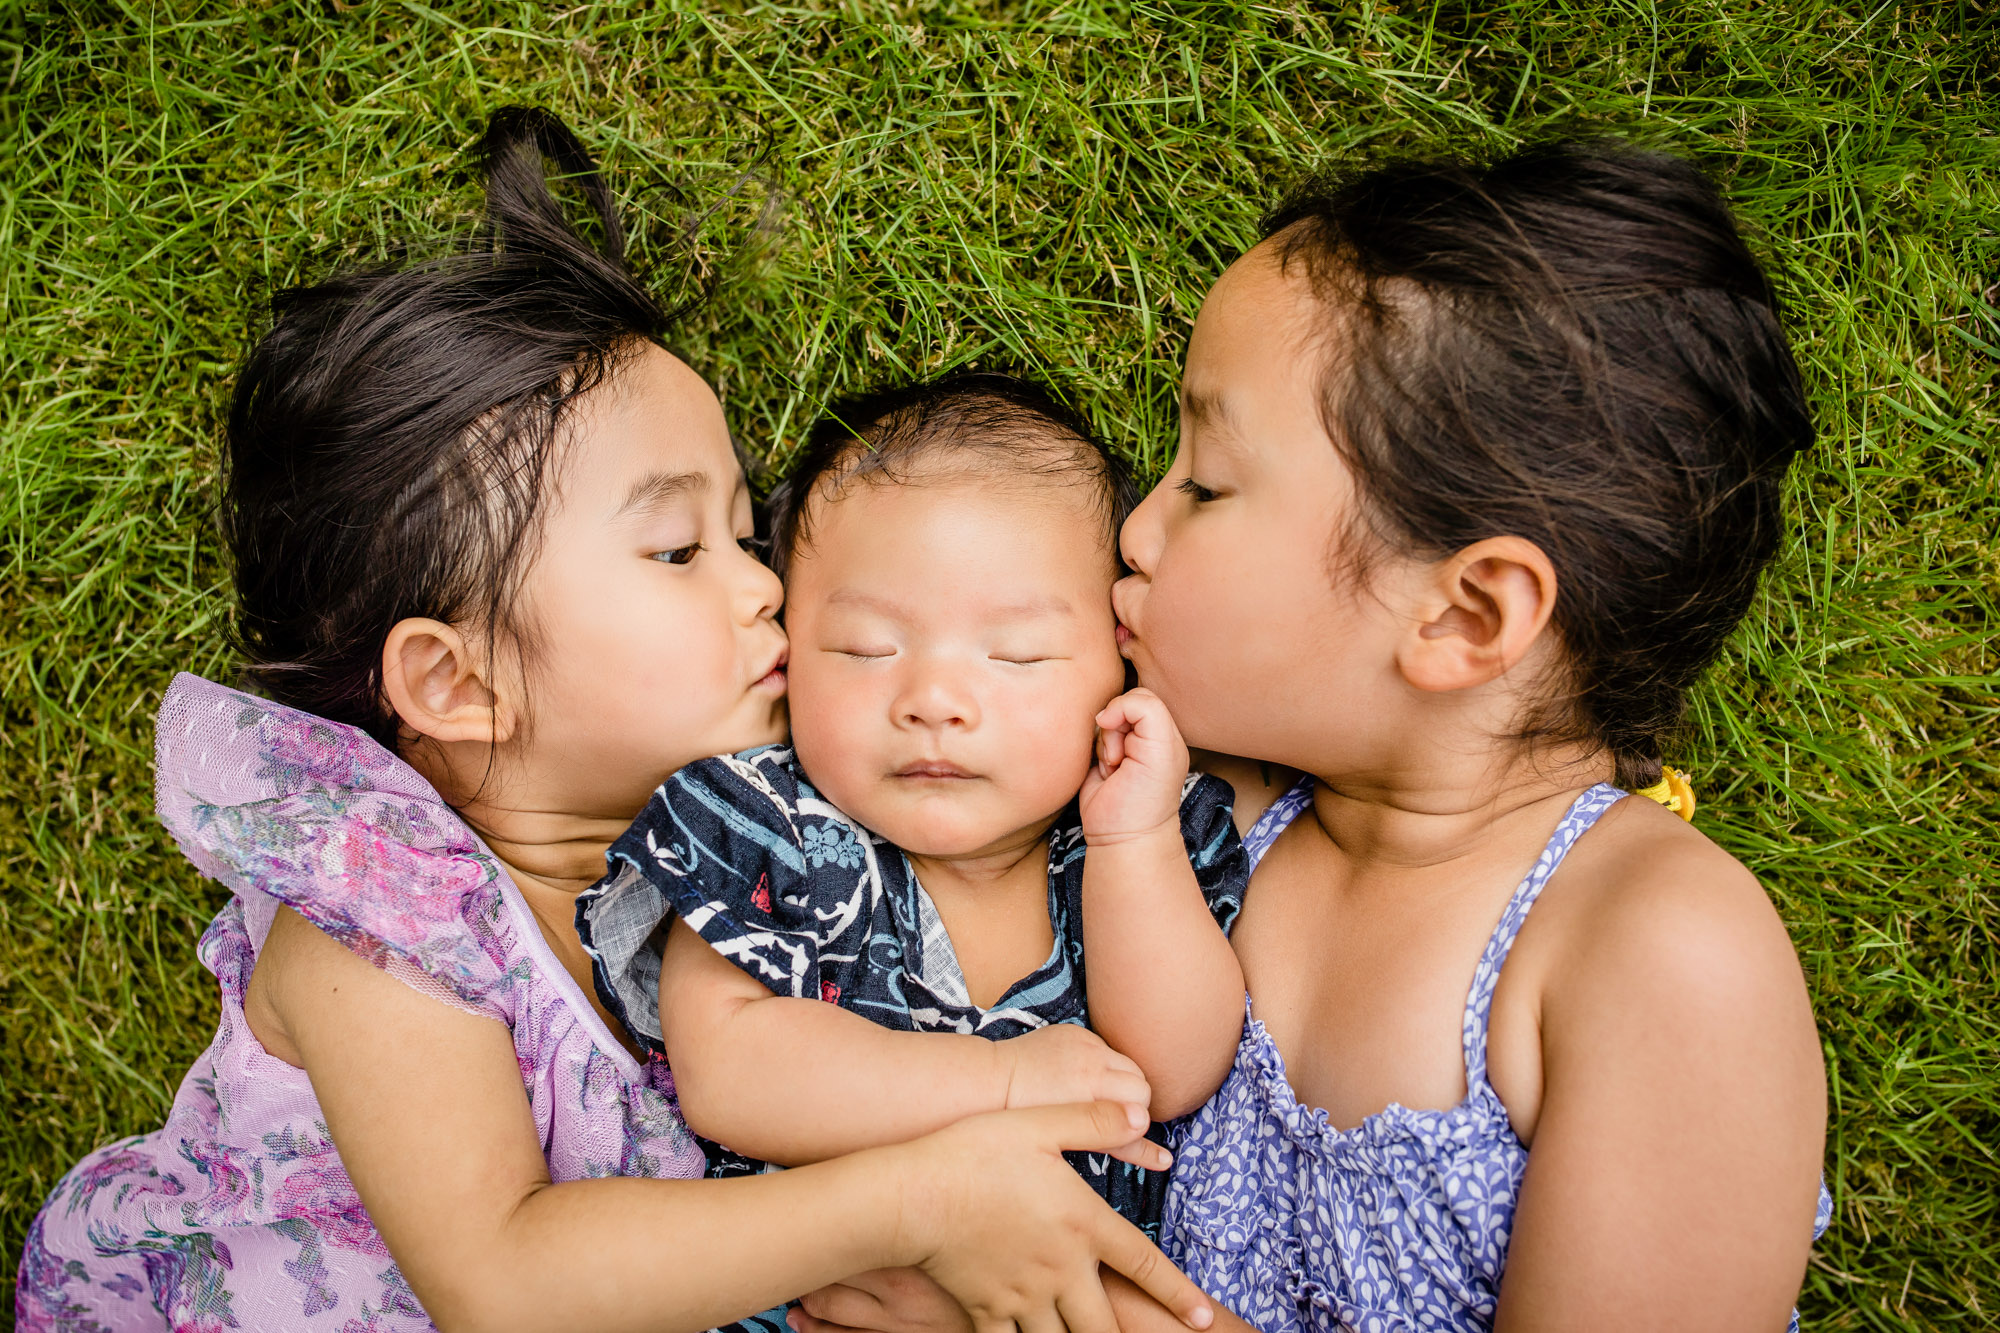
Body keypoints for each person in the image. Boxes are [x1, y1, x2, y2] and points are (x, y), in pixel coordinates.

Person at [14, 108, 1213, 1333]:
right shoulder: (379, 919)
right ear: (457, 684)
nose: (765, 590)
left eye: (748, 538)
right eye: (682, 549)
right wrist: (914, 1201)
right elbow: (508, 1278)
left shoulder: (748, 856)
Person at [792, 143, 1832, 1333]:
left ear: (1461, 616)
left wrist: (1051, 1313)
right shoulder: (1184, 807)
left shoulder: (1655, 953)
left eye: (1207, 483)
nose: (1134, 529)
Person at [576, 375, 1252, 1333]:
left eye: (1015, 654)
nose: (934, 698)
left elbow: (1172, 1069)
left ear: (1118, 659)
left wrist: (1132, 840)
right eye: (863, 649)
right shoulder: (763, 826)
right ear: (789, 655)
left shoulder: (1134, 841)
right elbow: (729, 1070)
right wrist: (1000, 1081)